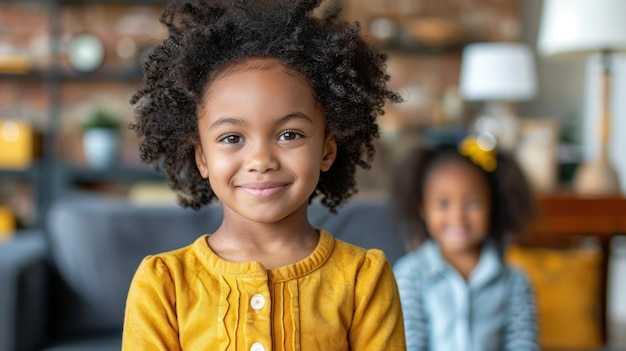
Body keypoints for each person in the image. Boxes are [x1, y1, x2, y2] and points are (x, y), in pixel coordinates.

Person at [122, 0, 406, 350]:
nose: (261, 160)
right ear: (202, 158)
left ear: (327, 151)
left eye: (289, 134)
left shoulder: (364, 279)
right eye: (231, 138)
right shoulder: (164, 284)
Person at [391, 137, 539, 351]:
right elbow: (407, 344)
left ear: (492, 206)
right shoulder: (409, 275)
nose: (458, 216)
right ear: (423, 209)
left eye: (472, 202)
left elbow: (523, 345)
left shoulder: (515, 283)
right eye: (443, 203)